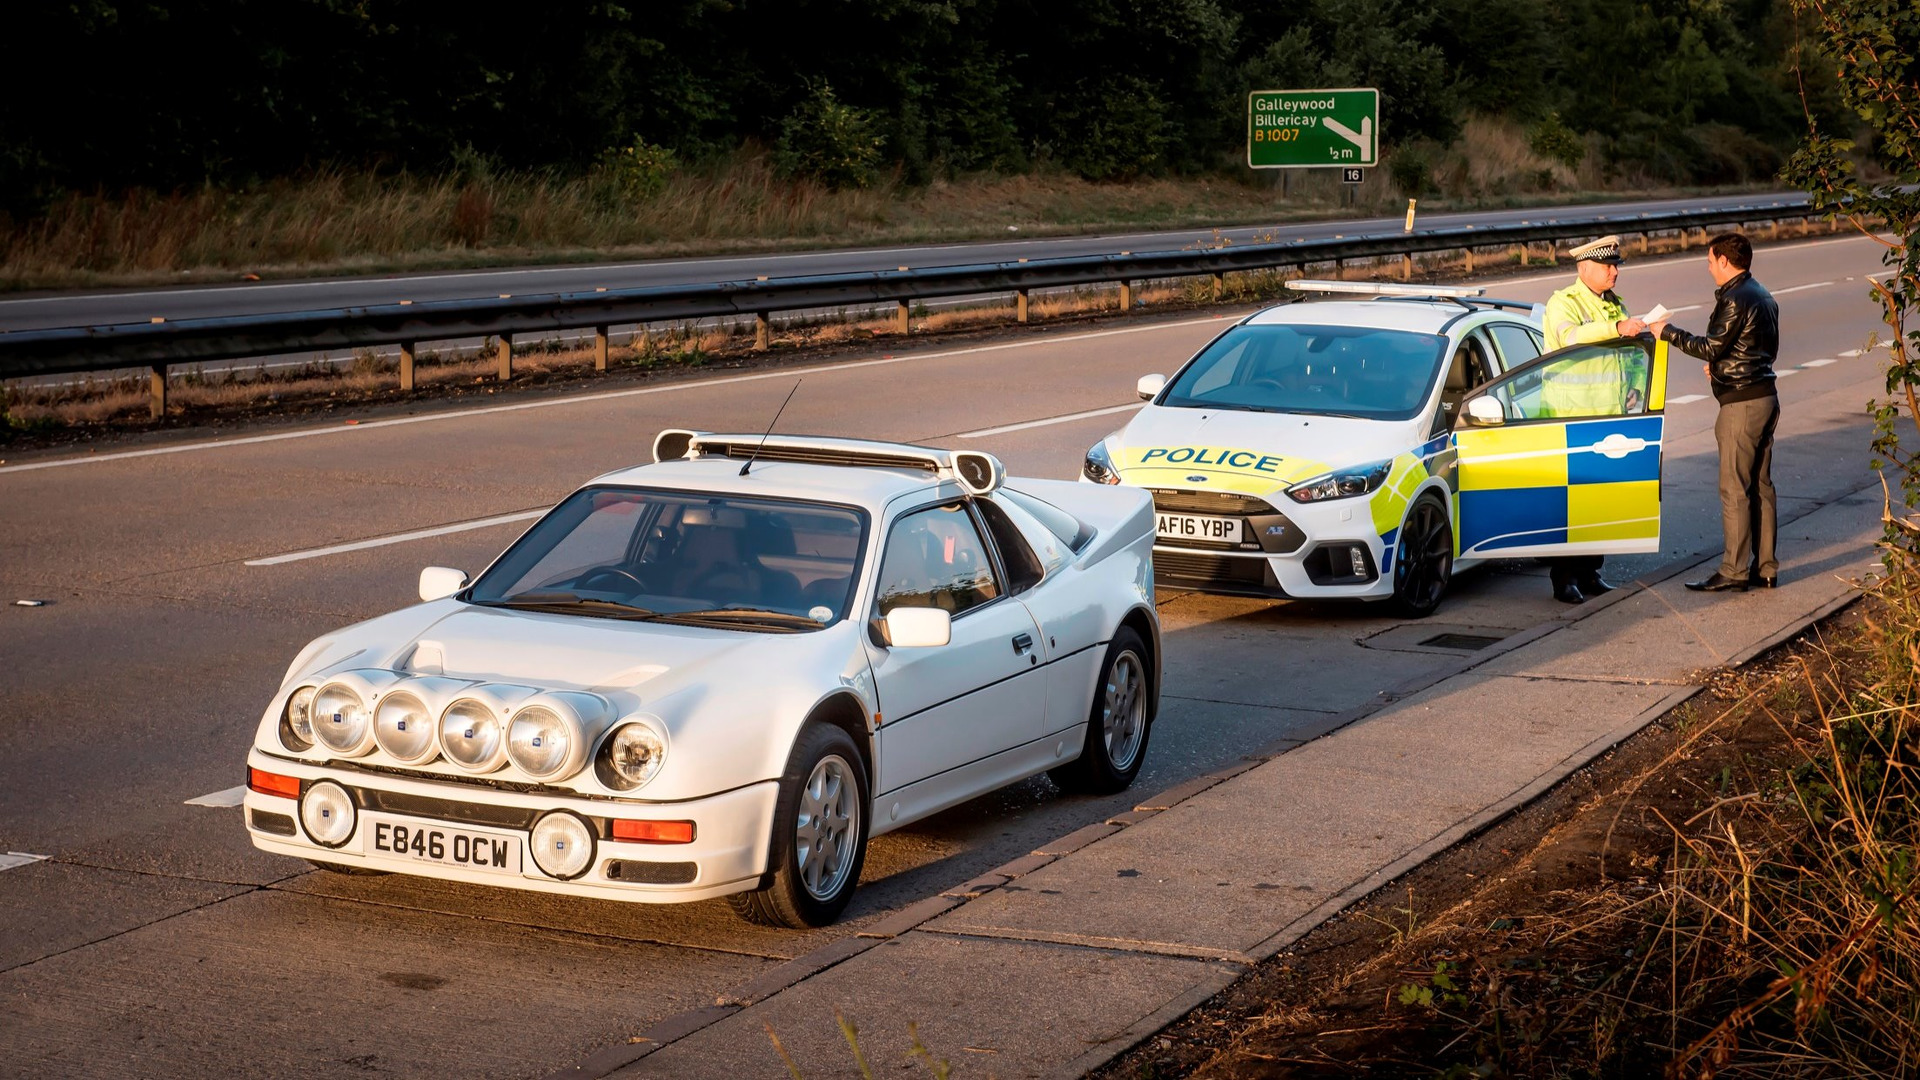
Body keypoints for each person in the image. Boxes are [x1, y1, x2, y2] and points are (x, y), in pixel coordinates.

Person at [1651, 233, 1779, 593]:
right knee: (1761, 486)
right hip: (1766, 396)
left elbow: (1711, 346)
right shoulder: (1763, 294)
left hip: (1741, 404)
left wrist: (1667, 332)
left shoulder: (1735, 299)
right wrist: (1722, 369)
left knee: (1734, 487)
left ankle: (1734, 570)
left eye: (1710, 261)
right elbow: (1758, 351)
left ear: (1725, 261)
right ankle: (1766, 568)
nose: (1708, 267)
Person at [1539, 235, 1649, 604]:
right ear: (1585, 268)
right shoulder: (1563, 303)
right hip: (1570, 419)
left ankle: (1590, 572)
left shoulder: (1615, 305)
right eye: (1609, 266)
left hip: (1608, 418)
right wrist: (1616, 329)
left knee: (1601, 500)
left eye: (1616, 265)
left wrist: (1635, 386)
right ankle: (1565, 578)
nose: (1615, 271)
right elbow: (1570, 339)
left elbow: (1630, 355)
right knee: (1571, 504)